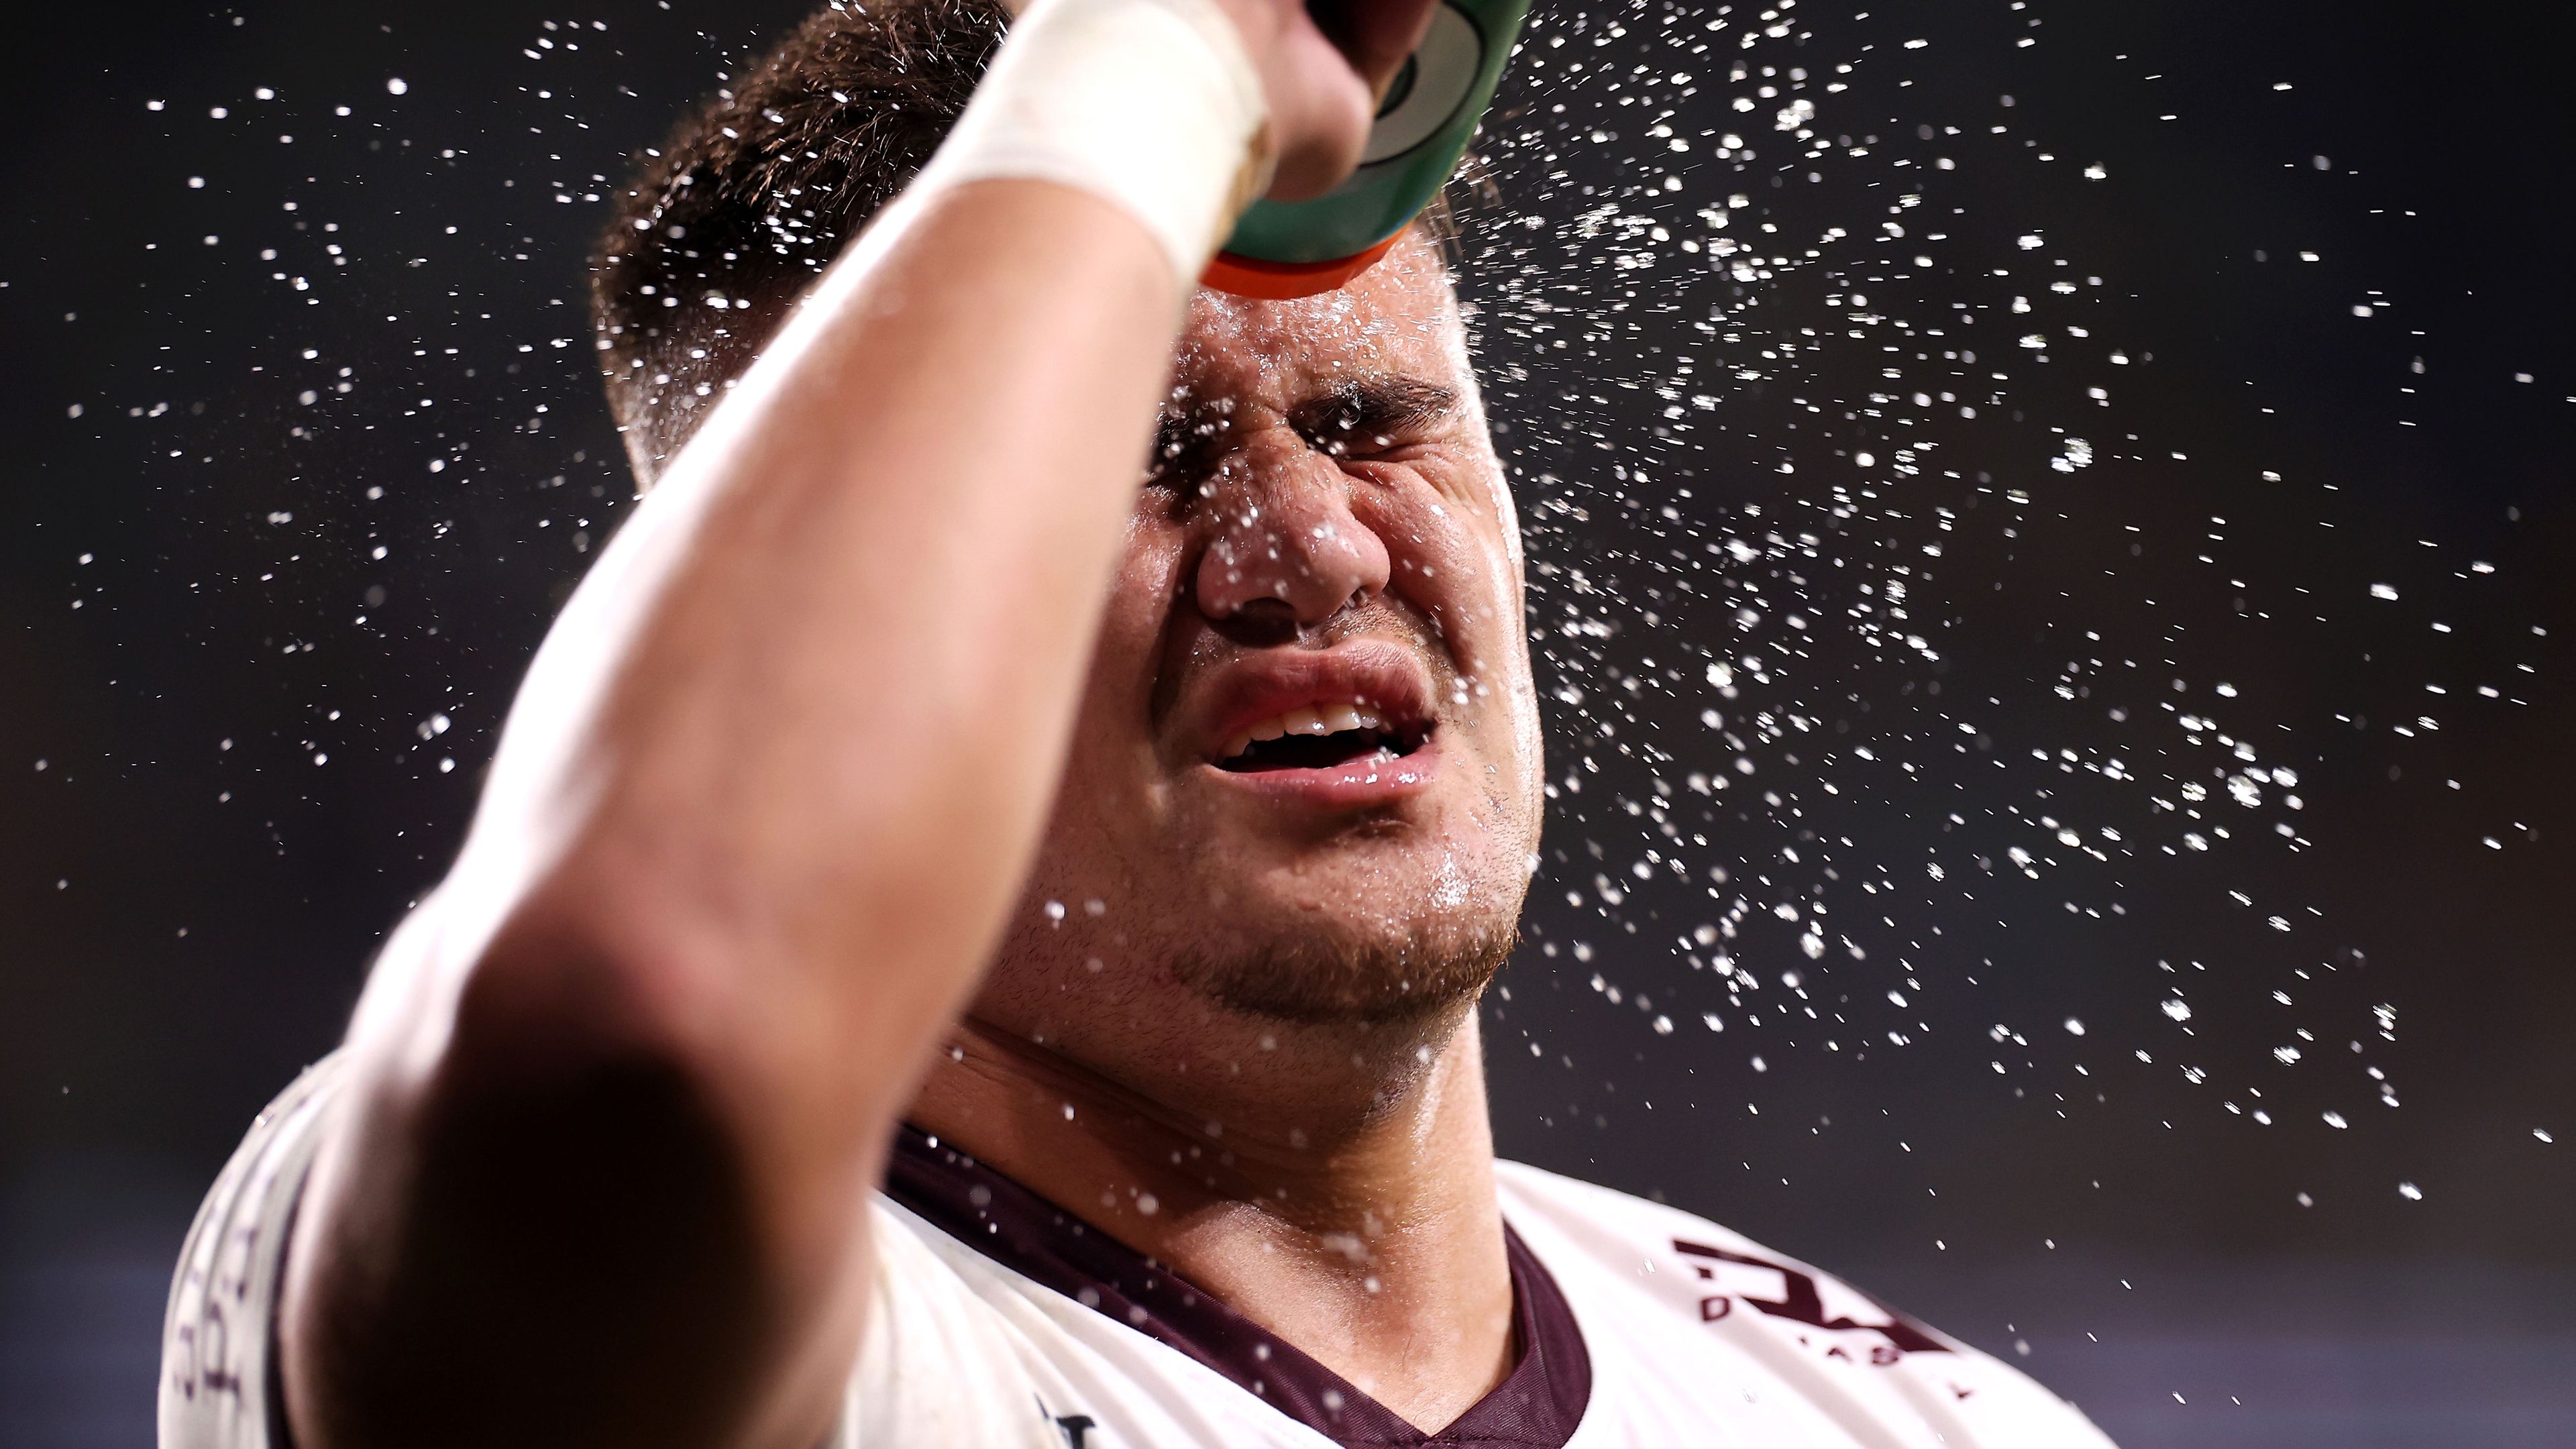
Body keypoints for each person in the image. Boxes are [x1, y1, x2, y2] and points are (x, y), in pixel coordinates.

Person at [158, 0, 2120, 1445]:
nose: (1306, 543)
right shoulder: (764, 1343)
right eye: (1133, 459)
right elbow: (662, 1002)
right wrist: (1150, 58)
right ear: (840, 614)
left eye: (1372, 422)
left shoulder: (1918, 1423)